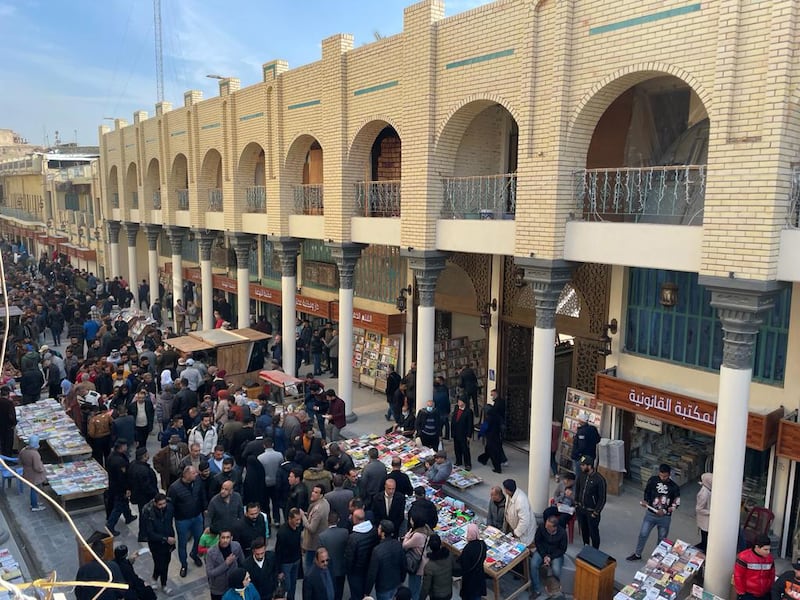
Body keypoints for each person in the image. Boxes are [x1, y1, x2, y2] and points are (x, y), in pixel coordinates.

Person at [626, 463, 681, 561]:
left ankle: (657, 558)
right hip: (651, 513)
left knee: (662, 538)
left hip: (665, 517)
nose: (662, 478)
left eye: (665, 476)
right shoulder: (653, 480)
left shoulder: (674, 487)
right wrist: (646, 501)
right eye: (661, 475)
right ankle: (637, 554)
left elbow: (676, 503)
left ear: (669, 475)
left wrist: (665, 510)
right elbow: (647, 492)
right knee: (643, 534)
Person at [167, 465, 206, 577]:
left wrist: (204, 507)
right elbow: (170, 506)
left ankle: (194, 554)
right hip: (182, 520)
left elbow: (201, 494)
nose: (197, 475)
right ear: (186, 475)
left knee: (199, 538)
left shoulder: (197, 481)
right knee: (182, 543)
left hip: (197, 516)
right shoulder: (174, 488)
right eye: (193, 473)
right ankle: (184, 564)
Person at [141, 493, 175, 595]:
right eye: (160, 504)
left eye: (164, 503)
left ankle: (155, 578)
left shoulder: (169, 509)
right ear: (155, 504)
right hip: (156, 544)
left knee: (166, 562)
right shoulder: (149, 514)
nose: (163, 506)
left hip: (168, 542)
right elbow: (150, 533)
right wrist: (165, 538)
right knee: (160, 564)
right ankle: (163, 584)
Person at [530, 508, 568, 598]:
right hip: (542, 551)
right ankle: (536, 589)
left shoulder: (562, 533)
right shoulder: (542, 527)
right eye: (546, 525)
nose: (546, 527)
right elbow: (538, 541)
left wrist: (550, 557)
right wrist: (544, 555)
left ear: (554, 527)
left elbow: (562, 549)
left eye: (548, 527)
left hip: (555, 554)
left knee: (556, 570)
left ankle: (555, 591)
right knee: (533, 564)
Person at [365, 520, 406, 600]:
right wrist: (402, 579)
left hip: (383, 587)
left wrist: (367, 591)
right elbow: (403, 564)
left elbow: (372, 573)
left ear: (383, 533)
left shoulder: (377, 550)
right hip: (396, 583)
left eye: (379, 528)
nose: (377, 529)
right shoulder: (398, 544)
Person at [345, 508, 378, 600]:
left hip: (356, 571)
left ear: (355, 519)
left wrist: (348, 570)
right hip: (368, 567)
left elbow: (350, 557)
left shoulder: (353, 538)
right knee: (365, 590)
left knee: (356, 593)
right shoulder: (373, 530)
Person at [575, 455, 607, 549]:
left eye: (583, 465)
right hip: (581, 509)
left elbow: (602, 498)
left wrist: (596, 512)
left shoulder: (599, 480)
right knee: (584, 530)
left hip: (592, 511)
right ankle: (586, 547)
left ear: (589, 466)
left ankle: (595, 550)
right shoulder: (581, 476)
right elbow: (578, 489)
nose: (581, 467)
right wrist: (577, 503)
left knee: (593, 532)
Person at [106, 439, 137, 536]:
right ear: (122, 447)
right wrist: (127, 488)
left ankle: (128, 516)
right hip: (119, 487)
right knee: (119, 506)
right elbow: (122, 477)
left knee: (124, 502)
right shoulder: (119, 461)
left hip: (113, 484)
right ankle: (110, 525)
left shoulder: (112, 455)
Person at [127, 447, 158, 542]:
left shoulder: (133, 464)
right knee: (144, 515)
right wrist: (155, 494)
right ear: (144, 456)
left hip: (138, 494)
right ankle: (143, 534)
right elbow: (147, 486)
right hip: (144, 496)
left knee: (143, 514)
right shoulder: (143, 470)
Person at [206, 529, 245, 600]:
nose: (225, 540)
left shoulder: (236, 546)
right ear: (219, 538)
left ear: (231, 538)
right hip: (218, 587)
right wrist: (226, 564)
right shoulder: (211, 552)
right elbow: (210, 573)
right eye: (223, 537)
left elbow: (242, 562)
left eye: (227, 537)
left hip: (233, 586)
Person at [733, 534, 774, 600]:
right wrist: (741, 593)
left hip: (765, 594)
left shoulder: (770, 559)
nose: (768, 552)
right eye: (765, 549)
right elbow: (738, 576)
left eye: (769, 549)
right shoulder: (744, 557)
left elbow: (772, 575)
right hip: (748, 594)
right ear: (757, 547)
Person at [301, 484, 331, 573]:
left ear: (321, 495)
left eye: (316, 492)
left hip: (313, 543)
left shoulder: (318, 509)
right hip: (320, 539)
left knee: (309, 565)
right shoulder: (325, 503)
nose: (313, 493)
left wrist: (303, 516)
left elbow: (312, 528)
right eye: (313, 491)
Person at [319, 511, 349, 600]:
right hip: (341, 568)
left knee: (329, 590)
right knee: (339, 590)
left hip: (328, 568)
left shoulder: (322, 536)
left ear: (327, 521)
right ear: (338, 520)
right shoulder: (345, 532)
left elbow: (320, 553)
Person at [402, 514, 433, 600]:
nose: (410, 521)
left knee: (414, 587)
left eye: (412, 520)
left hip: (416, 564)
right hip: (423, 560)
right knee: (417, 584)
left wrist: (407, 536)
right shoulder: (426, 528)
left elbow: (405, 545)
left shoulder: (418, 535)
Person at [275, 508, 303, 600]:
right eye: (297, 520)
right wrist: (279, 570)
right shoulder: (282, 533)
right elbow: (278, 552)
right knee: (287, 586)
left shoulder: (298, 528)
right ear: (290, 519)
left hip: (296, 560)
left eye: (300, 519)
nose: (299, 522)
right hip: (286, 563)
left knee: (293, 584)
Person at [457, 524, 487, 600]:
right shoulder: (482, 544)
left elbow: (464, 565)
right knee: (477, 596)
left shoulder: (468, 548)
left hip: (470, 579)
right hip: (479, 576)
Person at [502, 479, 534, 547]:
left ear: (507, 490)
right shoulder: (510, 494)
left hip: (523, 532)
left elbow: (524, 521)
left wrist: (516, 533)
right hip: (513, 526)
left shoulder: (521, 501)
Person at [421, 534, 453, 600]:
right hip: (448, 592)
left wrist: (421, 598)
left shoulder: (429, 566)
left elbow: (426, 586)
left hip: (436, 595)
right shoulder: (449, 555)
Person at [450, 397, 473, 470]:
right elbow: (454, 419)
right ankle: (458, 461)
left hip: (463, 433)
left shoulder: (468, 411)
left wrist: (469, 435)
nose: (458, 402)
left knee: (465, 449)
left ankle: (468, 464)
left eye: (460, 401)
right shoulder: (456, 408)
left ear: (464, 402)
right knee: (457, 448)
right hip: (456, 432)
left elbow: (470, 424)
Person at [695, 472, 712, 552]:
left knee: (706, 541)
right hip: (705, 521)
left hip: (707, 521)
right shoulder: (704, 494)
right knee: (705, 541)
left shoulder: (708, 490)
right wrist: (711, 512)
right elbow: (699, 509)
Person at [0, 387, 16, 457]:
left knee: (2, 440)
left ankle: (3, 454)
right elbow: (11, 416)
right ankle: (8, 456)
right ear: (8, 394)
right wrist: (14, 423)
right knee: (8, 441)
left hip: (1, 425)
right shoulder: (9, 403)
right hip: (8, 426)